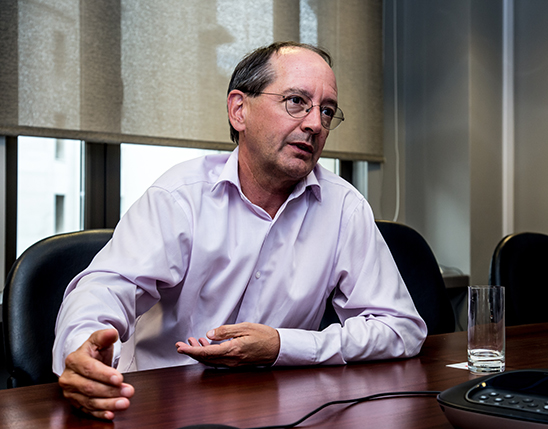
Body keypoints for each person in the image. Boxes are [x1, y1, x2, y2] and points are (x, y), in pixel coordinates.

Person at [52, 41, 427, 420]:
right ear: (239, 110)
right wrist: (81, 348)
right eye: (296, 101)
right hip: (160, 407)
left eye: (326, 110)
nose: (315, 123)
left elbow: (400, 329)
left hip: (280, 408)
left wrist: (284, 345)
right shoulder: (180, 197)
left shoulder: (343, 207)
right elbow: (105, 287)